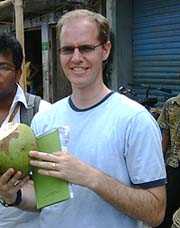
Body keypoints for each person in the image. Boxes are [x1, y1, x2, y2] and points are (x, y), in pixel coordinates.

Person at [0, 10, 166, 228]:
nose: (76, 58)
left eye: (86, 48)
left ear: (105, 50)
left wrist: (90, 177)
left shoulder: (135, 120)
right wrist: (14, 196)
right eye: (68, 49)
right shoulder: (45, 119)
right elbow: (48, 199)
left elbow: (155, 212)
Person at [0, 33, 51, 228]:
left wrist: (15, 196)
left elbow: (53, 192)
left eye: (3, 67)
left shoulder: (43, 114)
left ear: (19, 73)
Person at [156, 94, 180, 228]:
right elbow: (165, 136)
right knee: (166, 209)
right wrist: (158, 163)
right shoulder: (171, 104)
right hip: (174, 165)